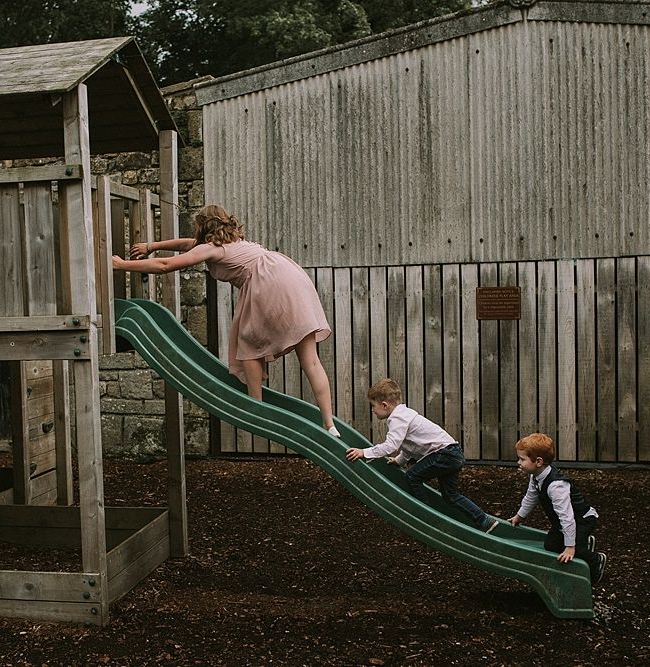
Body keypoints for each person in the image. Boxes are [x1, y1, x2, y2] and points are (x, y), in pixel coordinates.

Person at [112, 204, 340, 436]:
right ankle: (329, 423)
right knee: (311, 360)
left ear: (202, 227)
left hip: (269, 285)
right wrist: (152, 246)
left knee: (248, 342)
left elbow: (166, 265)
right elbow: (184, 244)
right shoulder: (235, 242)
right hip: (292, 277)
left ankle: (256, 409)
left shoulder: (214, 249)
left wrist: (122, 265)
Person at [345, 378, 498, 532]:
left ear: (384, 405)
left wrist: (364, 452)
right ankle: (484, 520)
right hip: (453, 453)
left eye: (373, 406)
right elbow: (411, 445)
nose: (373, 410)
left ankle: (426, 517)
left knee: (412, 476)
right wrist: (400, 460)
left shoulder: (396, 418)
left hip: (443, 454)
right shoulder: (405, 414)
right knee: (451, 495)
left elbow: (391, 445)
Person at [509, 433, 606, 583]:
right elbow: (530, 497)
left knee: (575, 551)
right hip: (564, 523)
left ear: (538, 461)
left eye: (522, 459)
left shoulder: (556, 486)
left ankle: (596, 560)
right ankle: (584, 541)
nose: (518, 462)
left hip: (582, 519)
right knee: (551, 546)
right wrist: (519, 516)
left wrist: (570, 546)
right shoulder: (535, 476)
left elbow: (567, 517)